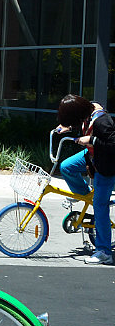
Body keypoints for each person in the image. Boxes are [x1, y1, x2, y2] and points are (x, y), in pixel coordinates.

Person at [57, 94, 115, 265]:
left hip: (106, 165)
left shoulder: (102, 121)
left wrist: (91, 140)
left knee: (100, 206)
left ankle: (104, 251)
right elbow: (84, 124)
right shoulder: (88, 110)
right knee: (66, 167)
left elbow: (112, 144)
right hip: (92, 155)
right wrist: (67, 127)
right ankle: (85, 195)